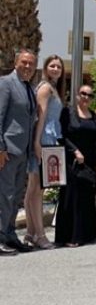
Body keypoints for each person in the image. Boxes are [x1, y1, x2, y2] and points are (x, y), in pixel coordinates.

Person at [0, 49, 38, 255]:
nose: (28, 66)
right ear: (16, 63)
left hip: (23, 151)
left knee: (14, 197)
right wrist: (1, 148)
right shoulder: (6, 84)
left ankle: (9, 234)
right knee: (4, 195)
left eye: (31, 64)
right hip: (8, 150)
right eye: (24, 62)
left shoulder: (29, 88)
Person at [25, 55, 65, 250]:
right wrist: (37, 143)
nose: (56, 68)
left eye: (59, 66)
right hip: (44, 139)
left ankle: (31, 233)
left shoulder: (53, 88)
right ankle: (40, 235)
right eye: (52, 65)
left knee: (33, 189)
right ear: (46, 67)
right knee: (38, 190)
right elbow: (39, 118)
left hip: (50, 139)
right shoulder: (45, 88)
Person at [55, 84, 96, 247]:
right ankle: (69, 236)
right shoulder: (68, 113)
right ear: (77, 95)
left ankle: (86, 235)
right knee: (71, 197)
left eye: (89, 95)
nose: (86, 97)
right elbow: (62, 135)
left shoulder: (94, 116)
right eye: (83, 94)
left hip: (88, 163)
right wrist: (75, 151)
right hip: (71, 161)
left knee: (86, 199)